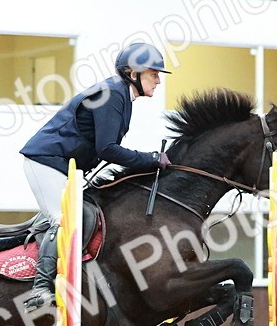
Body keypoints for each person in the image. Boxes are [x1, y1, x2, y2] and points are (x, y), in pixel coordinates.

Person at [18, 41, 173, 310]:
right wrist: (149, 159)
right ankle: (40, 289)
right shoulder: (113, 93)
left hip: (65, 167)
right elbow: (108, 149)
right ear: (132, 73)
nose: (158, 80)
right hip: (46, 162)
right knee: (65, 219)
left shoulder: (122, 95)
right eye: (153, 73)